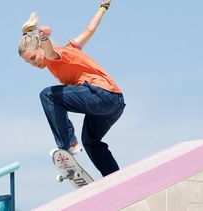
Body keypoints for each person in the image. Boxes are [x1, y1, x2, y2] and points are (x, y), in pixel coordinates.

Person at [17, 0, 125, 177]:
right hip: (115, 103)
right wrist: (103, 7)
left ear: (40, 48)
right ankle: (114, 177)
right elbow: (89, 30)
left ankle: (68, 144)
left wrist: (44, 39)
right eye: (28, 62)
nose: (33, 64)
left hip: (101, 95)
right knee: (90, 141)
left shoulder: (54, 56)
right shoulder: (71, 48)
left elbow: (50, 52)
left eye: (33, 57)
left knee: (48, 96)